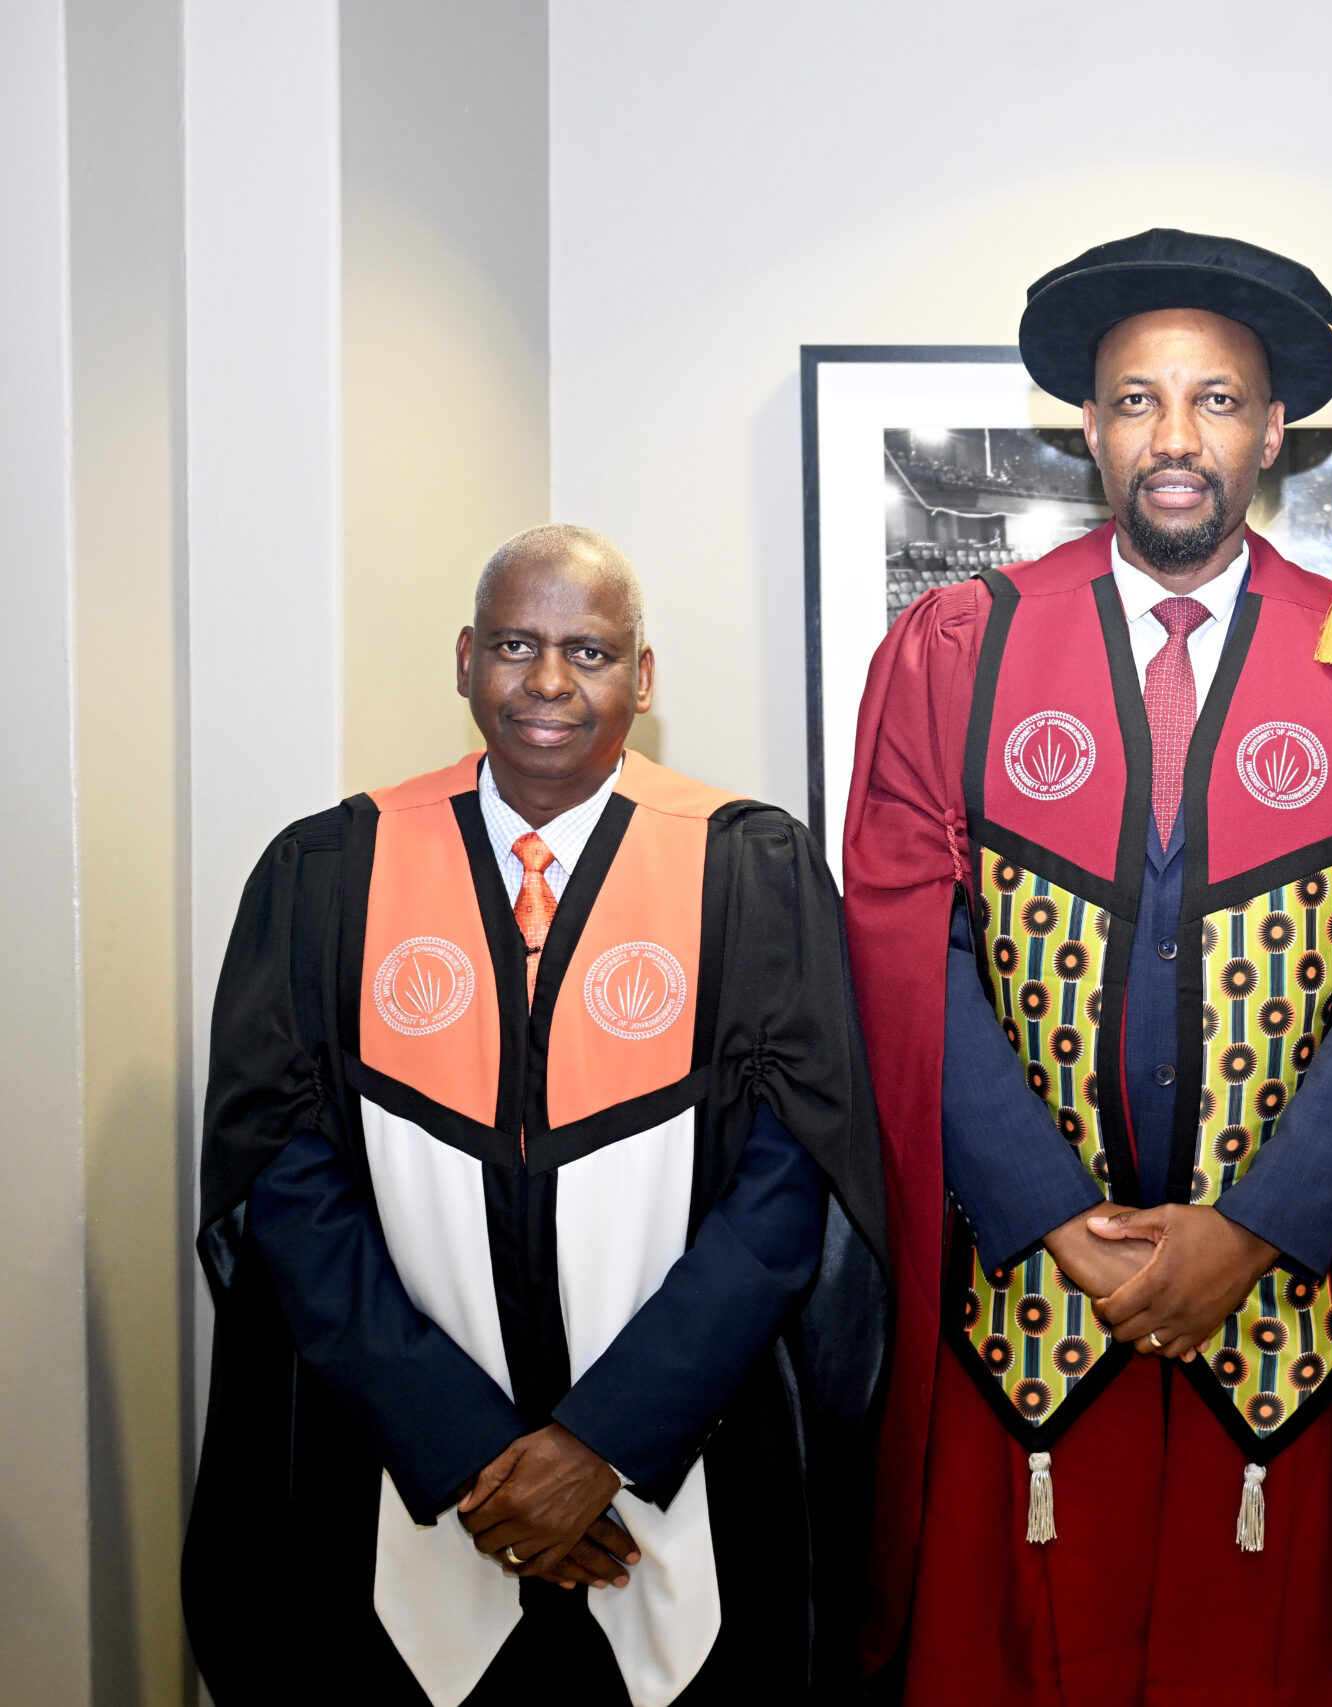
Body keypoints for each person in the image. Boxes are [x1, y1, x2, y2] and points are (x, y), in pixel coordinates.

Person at [842, 229, 1332, 1706]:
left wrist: (1253, 1227)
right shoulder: (960, 648)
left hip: (1283, 1297)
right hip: (1025, 1300)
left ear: (1273, 431)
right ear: (1090, 427)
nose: (1175, 436)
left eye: (1215, 401)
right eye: (1138, 400)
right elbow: (901, 945)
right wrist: (1056, 1214)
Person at [182, 526, 886, 1706]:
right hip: (404, 1482)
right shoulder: (328, 873)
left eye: (589, 651)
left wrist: (602, 1446)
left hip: (683, 1473)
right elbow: (288, 1187)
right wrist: (468, 1456)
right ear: (465, 661)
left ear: (643, 680)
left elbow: (786, 1188)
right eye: (515, 645)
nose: (549, 682)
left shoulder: (749, 872)